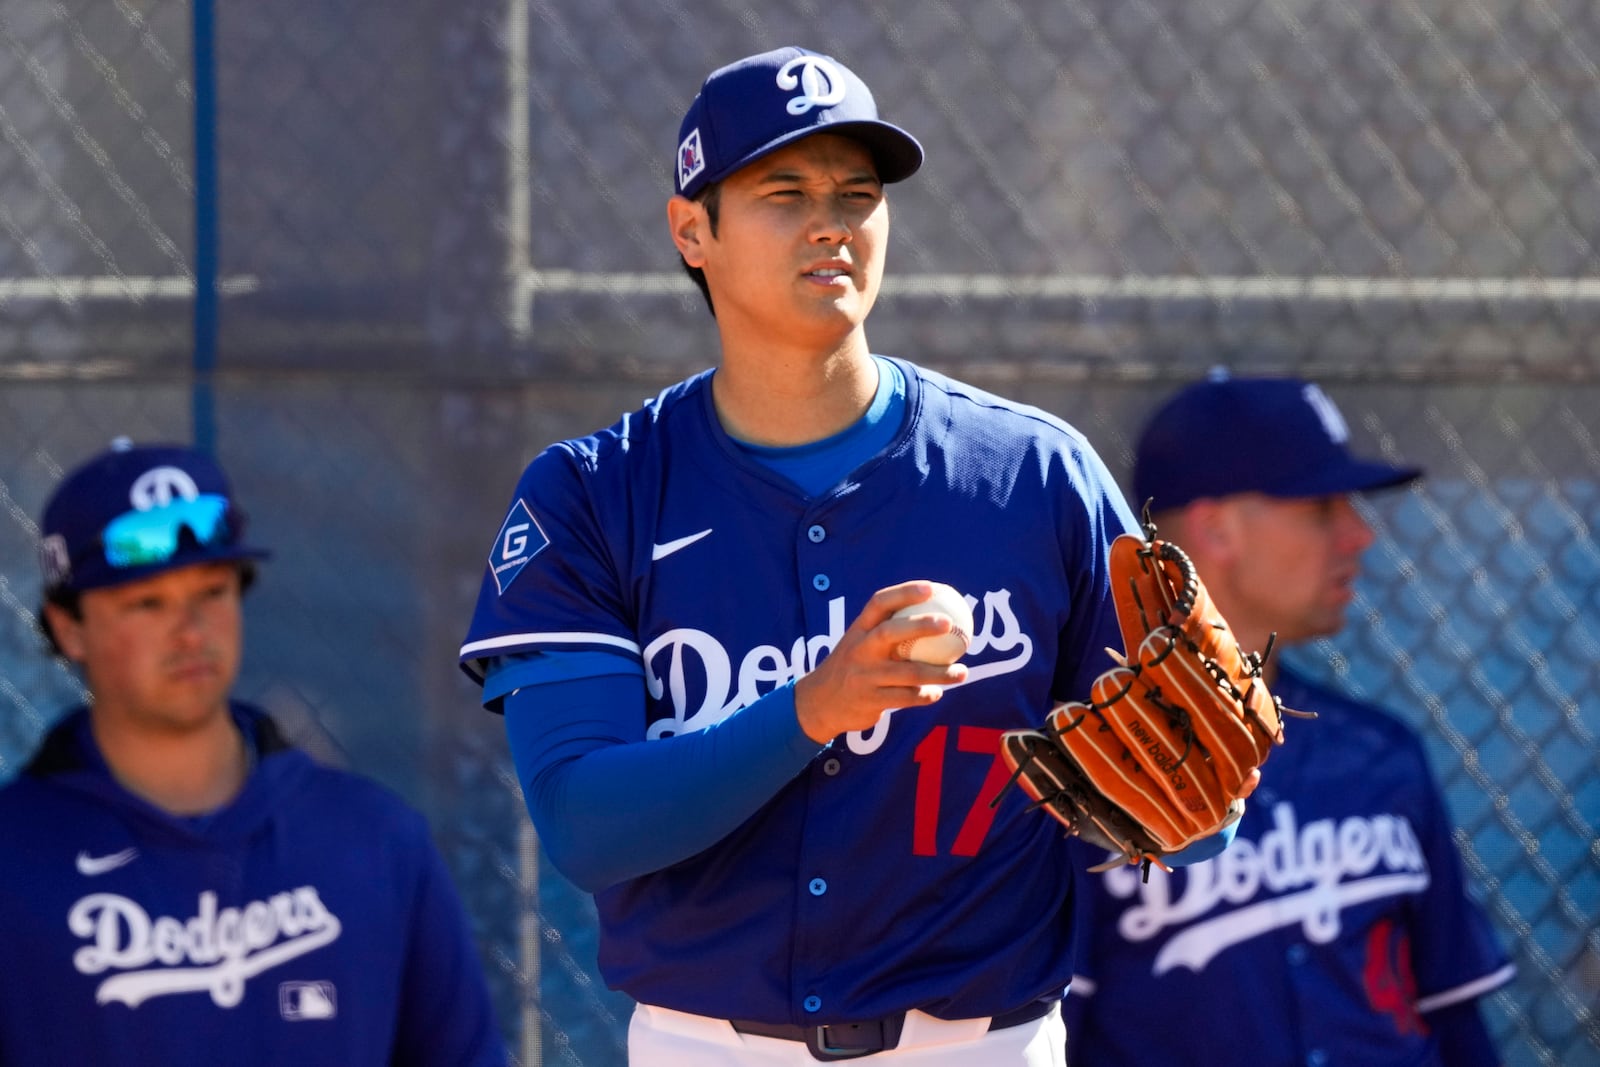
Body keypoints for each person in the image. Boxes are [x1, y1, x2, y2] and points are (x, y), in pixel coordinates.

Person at [459, 45, 1237, 1066]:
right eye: (784, 191)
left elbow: (1194, 801)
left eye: (857, 194)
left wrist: (1184, 803)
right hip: (710, 1046)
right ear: (692, 230)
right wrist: (813, 707)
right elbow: (585, 822)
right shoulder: (593, 492)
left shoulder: (1033, 474)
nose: (831, 220)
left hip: (982, 1043)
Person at [0, 440, 508, 1066]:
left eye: (212, 592)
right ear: (69, 626)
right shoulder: (14, 859)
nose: (190, 629)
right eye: (147, 603)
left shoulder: (374, 839)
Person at [1064, 374, 1516, 1066]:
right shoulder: (1098, 768)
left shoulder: (1382, 755)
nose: (1359, 533)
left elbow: (1456, 1020)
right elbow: (1053, 1033)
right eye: (1322, 506)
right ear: (1217, 528)